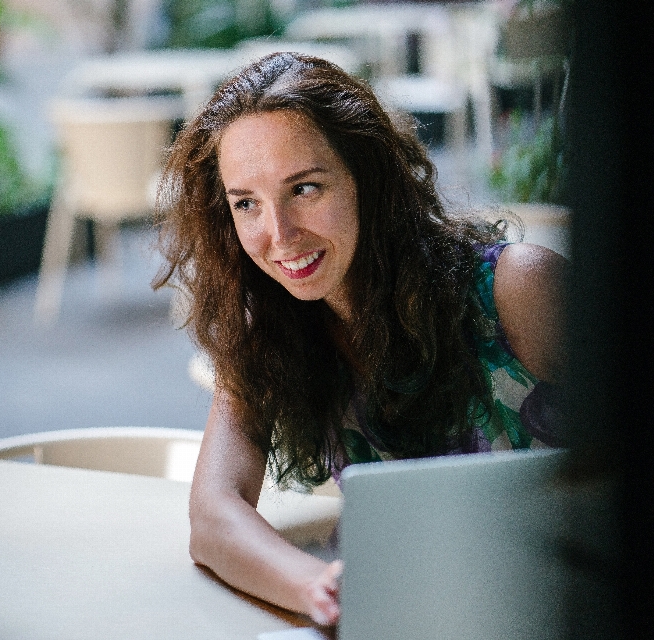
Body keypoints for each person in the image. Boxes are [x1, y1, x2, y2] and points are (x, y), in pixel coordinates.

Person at [153, 52, 567, 626]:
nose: (279, 234)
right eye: (246, 203)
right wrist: (317, 586)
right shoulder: (270, 333)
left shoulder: (517, 289)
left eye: (304, 188)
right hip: (410, 617)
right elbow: (213, 515)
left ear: (366, 177)